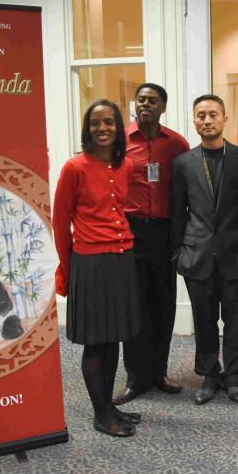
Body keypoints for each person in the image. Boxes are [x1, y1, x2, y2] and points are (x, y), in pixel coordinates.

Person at [53, 99, 142, 437]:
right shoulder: (74, 167)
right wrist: (66, 269)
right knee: (96, 343)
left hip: (122, 260)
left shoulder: (126, 166)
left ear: (119, 128)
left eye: (109, 123)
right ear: (87, 129)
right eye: (95, 123)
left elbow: (121, 208)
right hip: (90, 263)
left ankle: (109, 404)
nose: (102, 129)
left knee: (114, 338)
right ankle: (100, 413)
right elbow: (60, 223)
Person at [170, 95, 238, 405]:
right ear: (194, 121)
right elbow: (178, 212)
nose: (206, 120)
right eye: (200, 115)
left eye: (212, 115)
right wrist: (177, 254)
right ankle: (208, 374)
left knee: (235, 319)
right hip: (197, 255)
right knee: (204, 319)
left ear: (224, 119)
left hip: (236, 255)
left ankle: (233, 375)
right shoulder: (183, 163)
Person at [114, 83, 190, 405]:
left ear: (163, 107)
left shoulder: (177, 144)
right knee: (134, 307)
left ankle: (159, 372)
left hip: (164, 232)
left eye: (153, 100)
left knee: (163, 305)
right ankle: (136, 377)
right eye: (141, 99)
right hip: (130, 232)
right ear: (135, 104)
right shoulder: (119, 142)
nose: (145, 104)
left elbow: (186, 188)